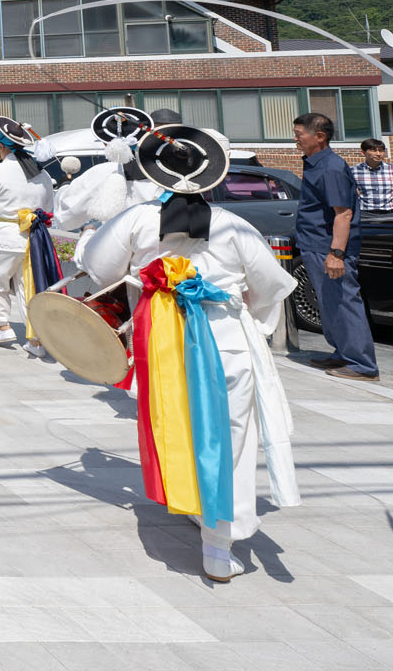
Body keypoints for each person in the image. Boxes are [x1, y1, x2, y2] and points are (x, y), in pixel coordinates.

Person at [76, 126, 300, 582]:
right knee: (231, 435)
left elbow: (99, 268)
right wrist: (246, 316)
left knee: (178, 426)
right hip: (227, 336)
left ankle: (195, 504)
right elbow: (271, 286)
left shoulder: (136, 219)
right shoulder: (234, 224)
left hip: (163, 340)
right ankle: (218, 541)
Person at [292, 113, 376, 380]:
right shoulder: (315, 164)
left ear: (319, 136)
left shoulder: (331, 167)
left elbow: (343, 213)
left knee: (344, 302)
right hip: (314, 244)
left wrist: (336, 254)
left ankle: (362, 365)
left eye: (299, 134)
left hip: (327, 247)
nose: (295, 139)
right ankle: (343, 353)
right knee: (329, 304)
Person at [0, 119, 60, 348]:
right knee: (30, 285)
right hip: (35, 235)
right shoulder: (42, 174)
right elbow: (49, 207)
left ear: (1, 146)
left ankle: (3, 327)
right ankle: (36, 340)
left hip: (6, 233)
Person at [52, 107, 165, 233]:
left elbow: (67, 216)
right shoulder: (165, 170)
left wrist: (64, 185)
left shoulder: (102, 172)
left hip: (119, 238)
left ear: (105, 143)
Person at [351, 138, 393, 219]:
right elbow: (353, 192)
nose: (378, 154)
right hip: (365, 215)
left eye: (381, 151)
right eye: (374, 150)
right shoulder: (354, 171)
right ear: (363, 152)